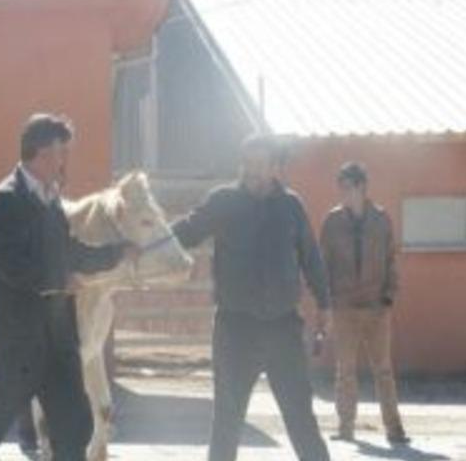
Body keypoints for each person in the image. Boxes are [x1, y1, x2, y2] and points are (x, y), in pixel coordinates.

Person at [0, 113, 137, 461]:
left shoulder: (51, 198)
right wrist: (57, 280)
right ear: (41, 152)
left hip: (57, 336)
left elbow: (68, 251)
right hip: (16, 337)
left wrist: (116, 253)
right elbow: (9, 265)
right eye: (60, 152)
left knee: (75, 423)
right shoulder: (4, 199)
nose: (63, 160)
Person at [171, 135, 331, 461]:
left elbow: (311, 258)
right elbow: (187, 231)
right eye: (248, 164)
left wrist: (325, 307)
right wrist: (147, 240)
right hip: (235, 329)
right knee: (227, 421)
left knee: (301, 417)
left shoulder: (291, 206)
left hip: (284, 329)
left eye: (260, 164)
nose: (252, 172)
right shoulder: (224, 201)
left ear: (275, 168)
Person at [320, 162, 409, 445]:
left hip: (376, 307)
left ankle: (394, 430)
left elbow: (391, 259)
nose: (343, 193)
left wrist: (389, 296)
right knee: (345, 371)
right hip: (345, 308)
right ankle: (346, 428)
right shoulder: (332, 222)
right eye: (340, 187)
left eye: (348, 186)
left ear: (362, 187)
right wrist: (326, 302)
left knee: (383, 370)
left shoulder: (381, 219)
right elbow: (323, 264)